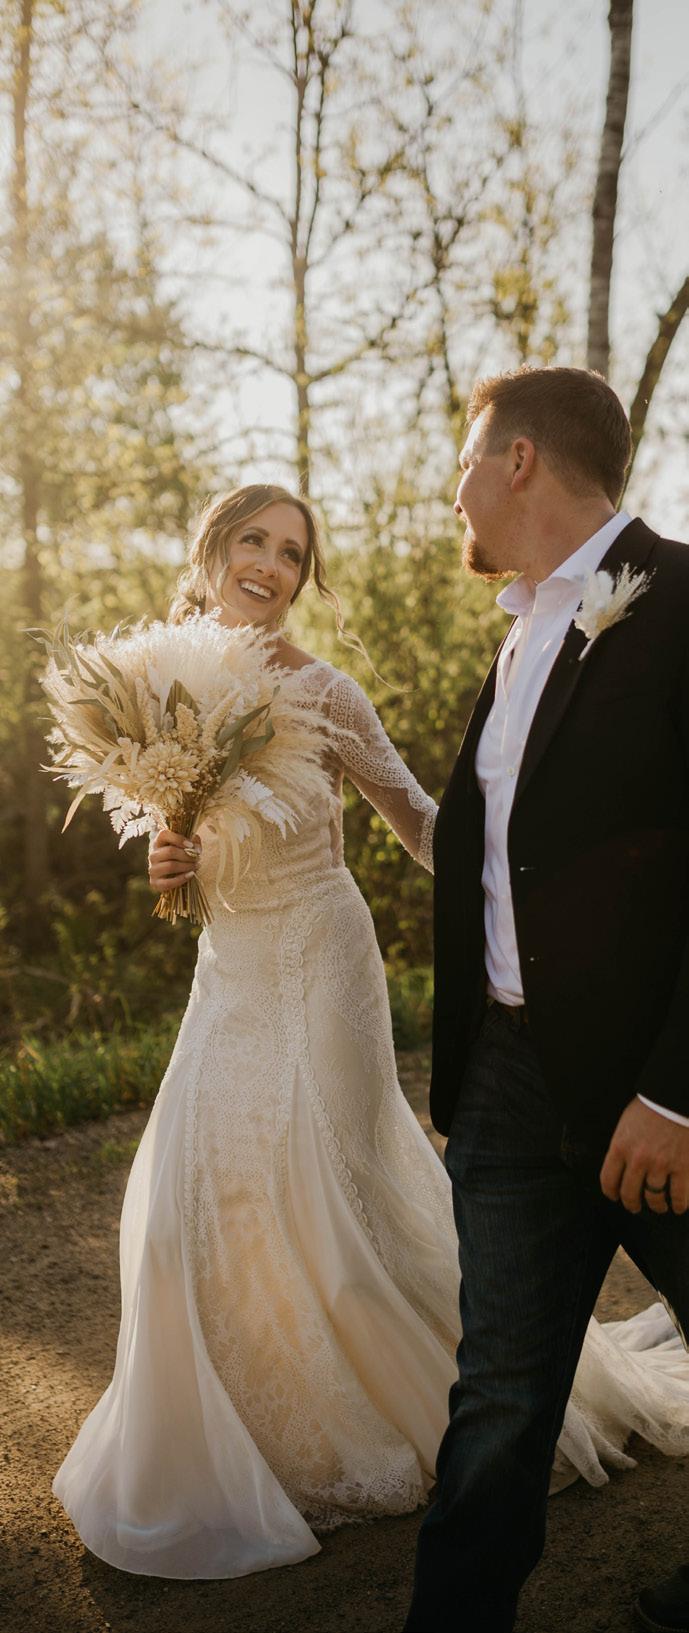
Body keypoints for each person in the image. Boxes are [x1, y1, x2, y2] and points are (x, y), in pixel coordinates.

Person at [53, 482, 689, 1585]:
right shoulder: (154, 687)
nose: (269, 565)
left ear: (304, 578)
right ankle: (255, 1433)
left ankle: (411, 1413)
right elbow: (184, 859)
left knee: (321, 1186)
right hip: (230, 972)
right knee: (191, 1199)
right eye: (253, 541)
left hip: (323, 965)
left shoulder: (324, 692)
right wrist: (169, 863)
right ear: (210, 549)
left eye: (292, 554)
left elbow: (425, 827)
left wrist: (547, 893)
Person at [404, 367, 689, 1633]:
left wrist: (674, 1095)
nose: (453, 488)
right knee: (500, 1396)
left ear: (515, 460)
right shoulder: (518, 629)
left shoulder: (679, 600)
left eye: (464, 459)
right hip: (510, 1089)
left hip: (652, 1089)